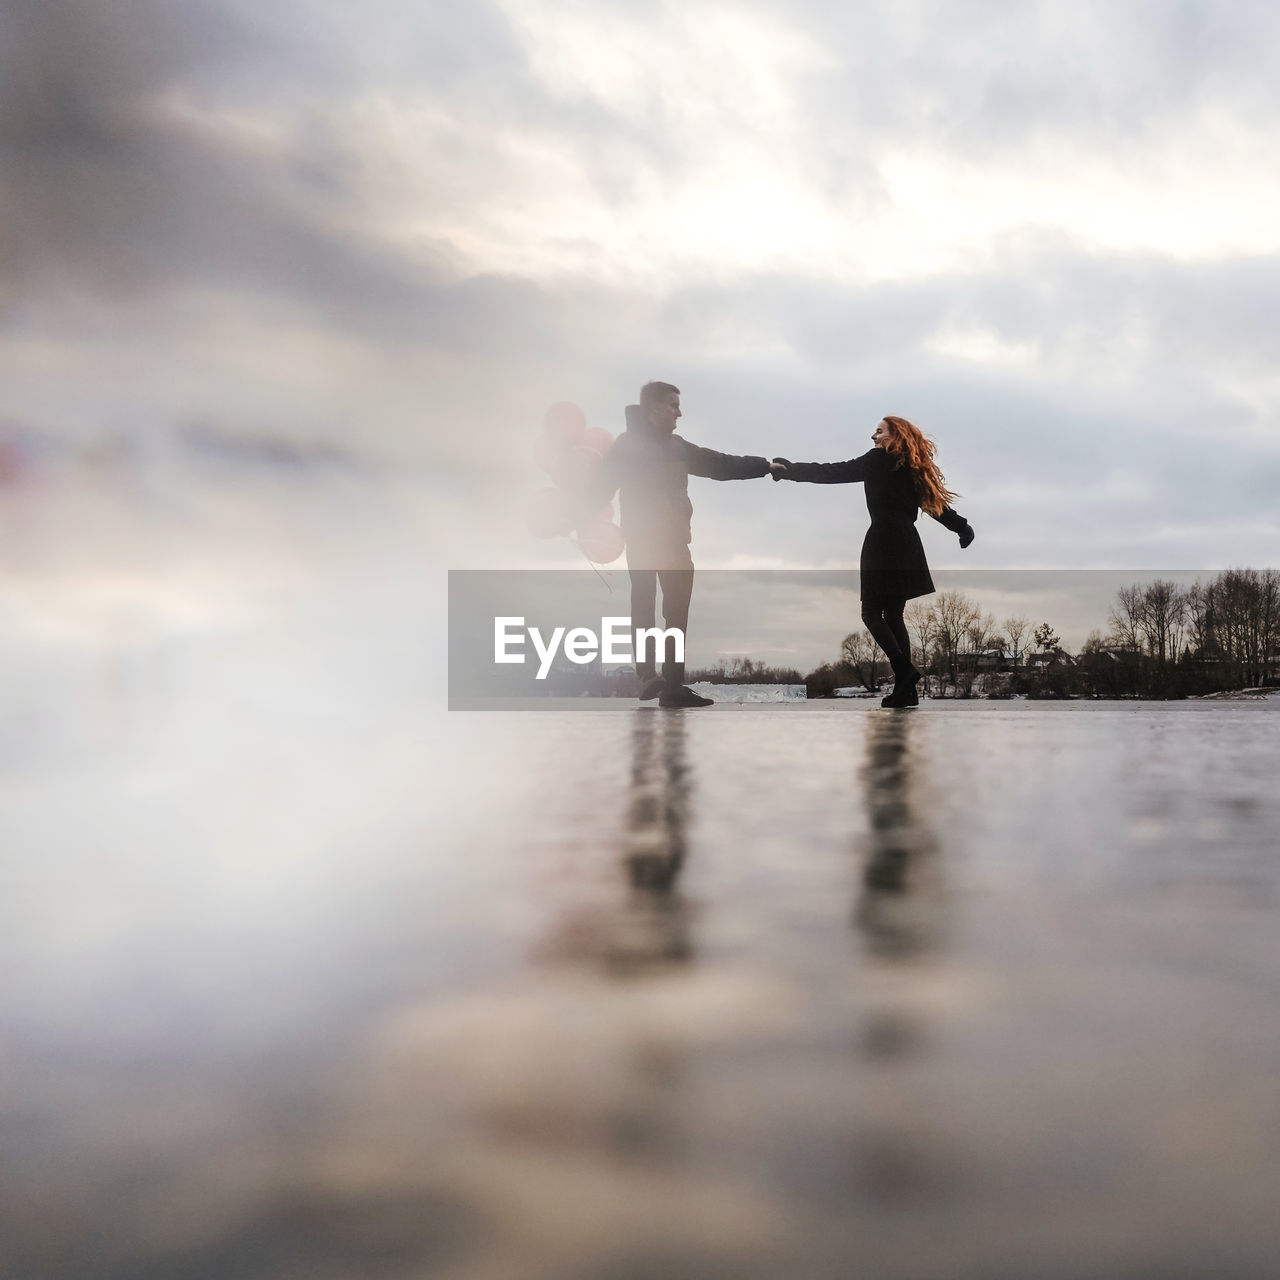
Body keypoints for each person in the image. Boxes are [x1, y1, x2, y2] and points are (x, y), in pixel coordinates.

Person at [771, 415, 975, 708]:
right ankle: (907, 691)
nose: (873, 437)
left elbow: (835, 472)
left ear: (895, 436)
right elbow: (936, 507)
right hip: (907, 542)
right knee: (893, 615)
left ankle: (905, 673)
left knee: (870, 613)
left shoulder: (878, 459)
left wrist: (791, 471)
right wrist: (962, 528)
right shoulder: (912, 469)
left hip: (883, 541)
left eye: (879, 432)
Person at [590, 381, 771, 708]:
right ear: (652, 408)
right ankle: (648, 676)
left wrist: (764, 466)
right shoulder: (626, 446)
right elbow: (599, 491)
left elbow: (720, 464)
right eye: (673, 405)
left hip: (675, 541)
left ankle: (673, 687)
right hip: (643, 538)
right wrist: (573, 515)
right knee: (644, 604)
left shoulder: (678, 447)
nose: (679, 412)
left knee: (676, 614)